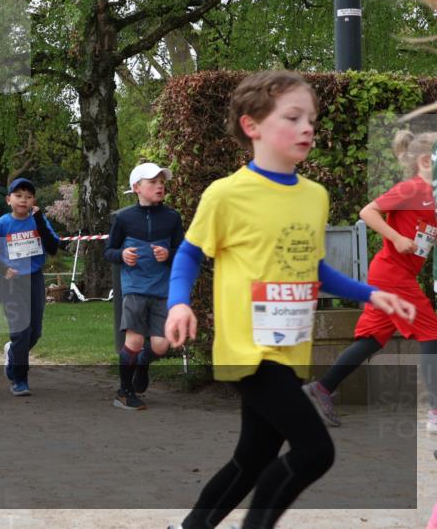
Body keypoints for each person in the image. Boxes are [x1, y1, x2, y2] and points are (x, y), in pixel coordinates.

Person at [164, 71, 415, 529]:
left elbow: (314, 271)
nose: (307, 128)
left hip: (290, 349)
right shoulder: (226, 194)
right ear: (251, 126)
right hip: (248, 352)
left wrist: (373, 293)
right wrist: (178, 303)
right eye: (293, 117)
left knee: (254, 458)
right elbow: (189, 254)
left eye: (312, 120)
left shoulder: (314, 197)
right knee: (315, 450)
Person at [304, 130, 437, 431]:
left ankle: (322, 388)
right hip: (393, 274)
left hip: (391, 274)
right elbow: (369, 212)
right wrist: (396, 237)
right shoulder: (411, 188)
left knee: (372, 339)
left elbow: (422, 232)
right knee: (431, 332)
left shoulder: (429, 196)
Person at [105, 162, 184, 410]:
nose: (160, 186)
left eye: (162, 182)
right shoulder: (124, 218)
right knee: (135, 341)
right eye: (153, 182)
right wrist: (122, 256)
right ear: (136, 188)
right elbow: (109, 251)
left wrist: (168, 255)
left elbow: (182, 251)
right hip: (134, 288)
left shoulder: (172, 217)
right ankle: (124, 392)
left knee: (161, 345)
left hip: (162, 289)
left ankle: (142, 364)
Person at [0, 178, 60, 395]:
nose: (23, 200)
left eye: (28, 196)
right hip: (11, 282)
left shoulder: (38, 220)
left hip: (34, 279)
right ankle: (19, 379)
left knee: (35, 332)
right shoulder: (1, 225)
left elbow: (53, 247)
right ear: (8, 200)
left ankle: (13, 353)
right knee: (21, 331)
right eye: (18, 196)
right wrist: (2, 269)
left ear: (33, 200)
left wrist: (41, 221)